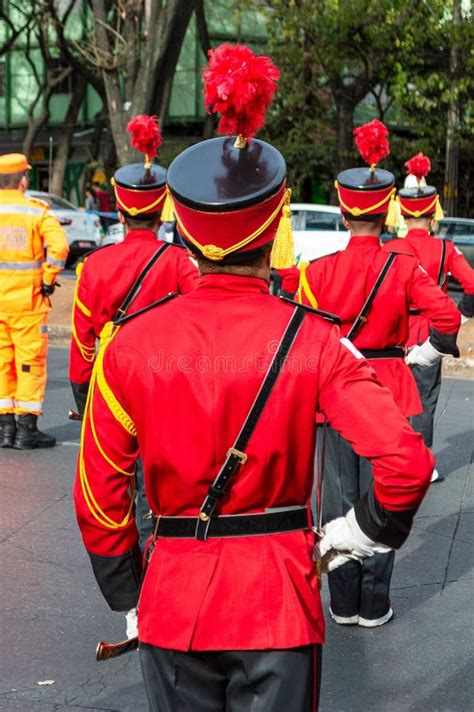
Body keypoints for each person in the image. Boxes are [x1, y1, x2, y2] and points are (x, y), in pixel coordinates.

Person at [74, 46, 435, 712]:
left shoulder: (128, 348)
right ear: (273, 223)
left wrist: (129, 595)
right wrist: (360, 533)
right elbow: (406, 463)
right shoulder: (316, 340)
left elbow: (100, 501)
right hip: (281, 602)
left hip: (173, 604)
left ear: (180, 223)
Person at [297, 121, 461, 628]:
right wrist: (426, 356)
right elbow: (449, 318)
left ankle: (343, 601)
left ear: (345, 212)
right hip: (391, 384)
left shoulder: (317, 271)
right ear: (385, 209)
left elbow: (301, 339)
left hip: (335, 391)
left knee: (340, 499)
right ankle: (375, 603)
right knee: (385, 498)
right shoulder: (403, 266)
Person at [69, 115, 198, 548]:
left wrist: (83, 397)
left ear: (120, 210)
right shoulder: (180, 262)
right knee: (157, 486)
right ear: (161, 209)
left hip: (111, 387)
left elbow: (84, 340)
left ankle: (129, 581)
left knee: (111, 486)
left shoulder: (94, 265)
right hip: (165, 385)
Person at [385, 152, 474, 477]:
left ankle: (394, 459)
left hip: (394, 330)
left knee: (392, 397)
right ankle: (422, 462)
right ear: (432, 211)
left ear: (403, 212)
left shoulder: (390, 247)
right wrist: (461, 318)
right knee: (425, 398)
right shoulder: (446, 249)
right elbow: (473, 285)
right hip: (431, 332)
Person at [0, 153, 69, 449]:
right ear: (23, 180)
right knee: (29, 362)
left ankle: (5, 429)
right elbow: (59, 247)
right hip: (27, 303)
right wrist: (48, 279)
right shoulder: (36, 211)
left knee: (2, 363)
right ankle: (26, 430)